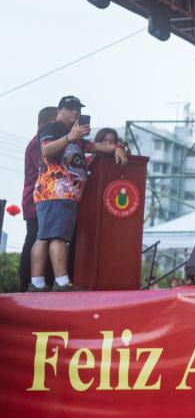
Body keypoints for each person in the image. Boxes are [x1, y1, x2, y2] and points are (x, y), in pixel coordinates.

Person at [30, 96, 127, 291]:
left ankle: (37, 283)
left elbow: (98, 147)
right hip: (57, 191)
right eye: (71, 108)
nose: (76, 112)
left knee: (46, 236)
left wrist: (118, 147)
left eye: (78, 109)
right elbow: (46, 150)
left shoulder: (77, 139)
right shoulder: (54, 128)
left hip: (60, 194)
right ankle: (61, 282)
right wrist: (69, 137)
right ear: (59, 112)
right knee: (57, 237)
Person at [19, 106, 57, 292]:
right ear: (47, 122)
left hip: (45, 201)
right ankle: (27, 283)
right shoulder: (38, 144)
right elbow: (49, 166)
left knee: (45, 241)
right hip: (36, 202)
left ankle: (45, 282)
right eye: (56, 121)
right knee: (34, 240)